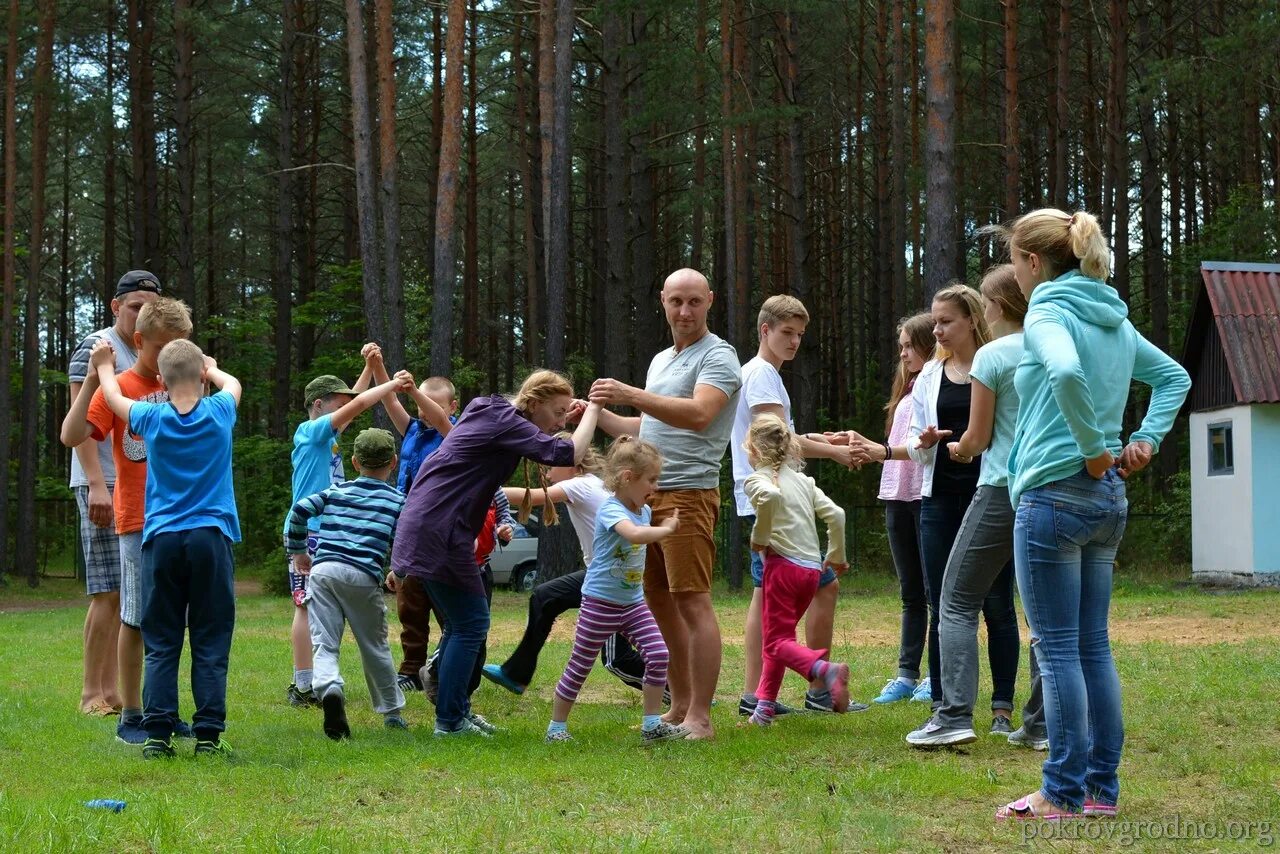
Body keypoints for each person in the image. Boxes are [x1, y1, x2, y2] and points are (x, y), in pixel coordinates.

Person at [991, 209, 1189, 820]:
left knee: (1056, 651)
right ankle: (1101, 789)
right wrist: (1145, 440)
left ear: (1032, 262)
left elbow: (1065, 369)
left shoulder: (1049, 307)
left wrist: (1094, 449)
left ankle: (1062, 792)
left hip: (1055, 498)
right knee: (1091, 647)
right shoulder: (1113, 316)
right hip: (1106, 504)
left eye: (1013, 263)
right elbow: (1173, 377)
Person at [388, 372, 601, 737]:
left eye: (565, 414)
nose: (561, 421)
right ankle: (451, 721)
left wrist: (567, 414)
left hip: (429, 523)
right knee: (470, 624)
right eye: (557, 411)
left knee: (461, 624)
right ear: (533, 404)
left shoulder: (489, 411)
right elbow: (568, 452)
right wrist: (595, 407)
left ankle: (455, 712)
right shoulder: (505, 420)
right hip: (441, 528)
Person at [588, 268, 742, 740]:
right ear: (662, 300)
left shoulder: (719, 356)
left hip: (689, 496)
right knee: (657, 604)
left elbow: (698, 415)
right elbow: (647, 429)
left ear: (710, 301)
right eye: (676, 301)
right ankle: (678, 709)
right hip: (644, 500)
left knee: (692, 602)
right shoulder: (661, 361)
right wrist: (596, 411)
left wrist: (631, 393)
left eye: (694, 301)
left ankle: (701, 717)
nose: (685, 311)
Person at [90, 337, 242, 759]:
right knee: (210, 639)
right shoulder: (220, 410)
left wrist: (104, 364)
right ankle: (208, 737)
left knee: (162, 639)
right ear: (201, 376)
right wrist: (212, 369)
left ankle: (157, 735)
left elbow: (115, 397)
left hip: (161, 541)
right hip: (211, 536)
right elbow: (233, 383)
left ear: (160, 379)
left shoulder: (151, 418)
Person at [906, 265, 1038, 747]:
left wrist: (962, 447)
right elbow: (916, 443)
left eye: (947, 321)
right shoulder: (930, 378)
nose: (937, 331)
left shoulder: (997, 357)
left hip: (996, 488)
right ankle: (1030, 721)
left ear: (990, 311)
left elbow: (977, 440)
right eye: (934, 322)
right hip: (964, 495)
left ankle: (975, 712)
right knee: (1040, 614)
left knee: (976, 603)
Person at [61, 297, 196, 745]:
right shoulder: (118, 385)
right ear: (138, 341)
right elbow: (71, 435)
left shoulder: (190, 386)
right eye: (162, 348)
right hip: (137, 520)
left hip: (180, 518)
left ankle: (163, 708)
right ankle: (132, 714)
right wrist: (92, 381)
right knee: (135, 618)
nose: (171, 358)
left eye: (181, 348)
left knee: (171, 619)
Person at [729, 295, 864, 717]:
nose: (794, 341)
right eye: (786, 332)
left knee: (799, 590)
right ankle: (793, 687)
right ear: (764, 330)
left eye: (800, 335)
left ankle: (772, 694)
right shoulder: (763, 375)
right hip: (770, 496)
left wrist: (824, 441)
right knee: (770, 598)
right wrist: (836, 453)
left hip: (773, 494)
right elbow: (778, 440)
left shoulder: (764, 375)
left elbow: (786, 437)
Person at [482, 440, 653, 696]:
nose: (548, 475)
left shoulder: (580, 484)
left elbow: (531, 497)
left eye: (550, 468)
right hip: (607, 573)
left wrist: (479, 487)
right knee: (545, 596)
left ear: (570, 464)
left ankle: (680, 693)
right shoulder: (593, 483)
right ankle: (516, 673)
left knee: (617, 659)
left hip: (610, 580)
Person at [546, 437, 686, 745]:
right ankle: (557, 727)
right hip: (600, 603)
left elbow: (642, 529)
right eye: (651, 479)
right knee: (580, 665)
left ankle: (651, 726)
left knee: (659, 654)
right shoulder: (611, 510)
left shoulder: (644, 511)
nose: (655, 486)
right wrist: (666, 530)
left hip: (633, 604)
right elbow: (634, 535)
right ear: (626, 477)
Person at [65, 270, 160, 716]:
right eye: (136, 304)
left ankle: (113, 692)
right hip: (100, 482)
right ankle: (91, 694)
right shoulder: (97, 346)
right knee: (106, 591)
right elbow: (80, 420)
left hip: (133, 485)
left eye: (151, 306)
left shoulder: (145, 348)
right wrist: (98, 485)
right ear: (115, 305)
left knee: (125, 592)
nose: (144, 313)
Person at [284, 351, 398, 707]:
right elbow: (359, 405)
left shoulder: (323, 434)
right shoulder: (310, 432)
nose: (342, 414)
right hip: (310, 528)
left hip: (323, 526)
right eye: (336, 406)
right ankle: (303, 685)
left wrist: (367, 369)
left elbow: (353, 404)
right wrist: (393, 383)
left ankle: (311, 680)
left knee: (313, 606)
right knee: (305, 606)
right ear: (318, 405)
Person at [835, 313, 935, 705]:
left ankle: (936, 677)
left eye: (911, 346)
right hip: (897, 496)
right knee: (911, 592)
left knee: (934, 591)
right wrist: (859, 442)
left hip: (927, 497)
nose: (905, 354)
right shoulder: (906, 392)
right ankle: (906, 675)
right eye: (902, 348)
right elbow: (893, 447)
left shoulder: (939, 385)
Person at [285, 428, 408, 741]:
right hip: (363, 576)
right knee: (374, 646)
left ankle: (330, 690)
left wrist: (299, 552)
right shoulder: (398, 501)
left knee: (324, 643)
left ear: (354, 462)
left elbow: (299, 511)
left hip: (324, 572)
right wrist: (398, 569)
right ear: (393, 462)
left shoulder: (336, 492)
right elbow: (407, 539)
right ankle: (392, 714)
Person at [740, 415, 851, 727]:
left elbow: (770, 497)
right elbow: (837, 514)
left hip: (782, 569)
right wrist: (836, 554)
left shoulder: (757, 479)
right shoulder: (804, 481)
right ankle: (763, 710)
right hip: (811, 572)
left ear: (754, 451)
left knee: (774, 643)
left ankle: (824, 670)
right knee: (781, 638)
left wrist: (760, 538)